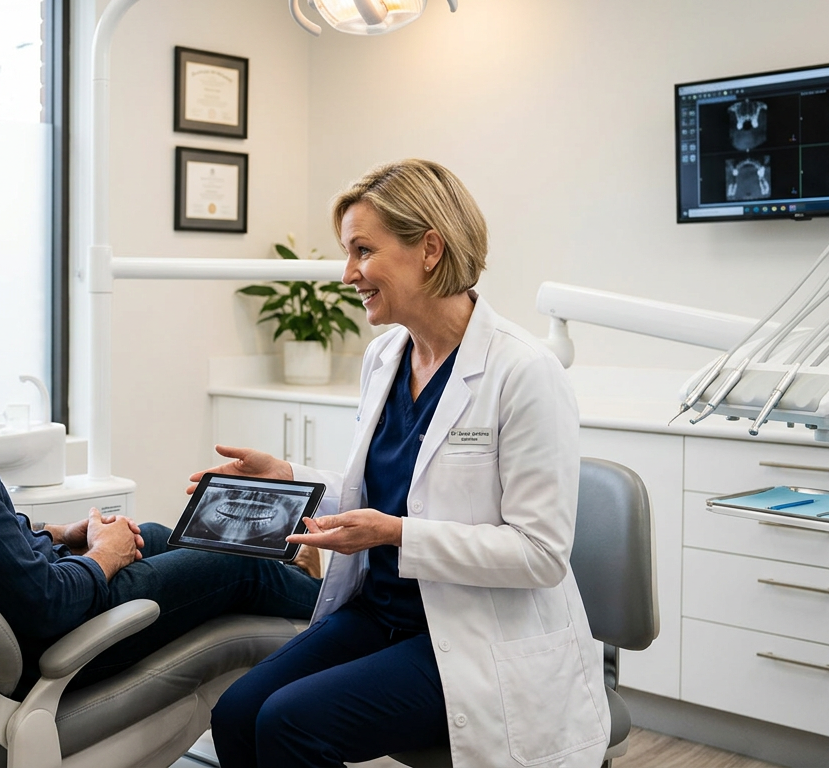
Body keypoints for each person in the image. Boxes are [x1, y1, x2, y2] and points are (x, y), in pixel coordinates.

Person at [203, 160, 610, 767]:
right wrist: (289, 479)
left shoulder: (524, 372)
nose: (348, 274)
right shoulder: (385, 356)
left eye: (363, 251)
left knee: (291, 724)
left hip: (473, 634)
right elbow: (382, 494)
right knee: (236, 713)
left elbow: (540, 554)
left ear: (430, 249)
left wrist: (397, 534)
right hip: (382, 612)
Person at [0, 215, 322, 693]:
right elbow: (46, 605)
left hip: (1, 617)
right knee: (237, 564)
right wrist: (103, 556)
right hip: (54, 644)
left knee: (153, 535)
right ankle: (343, 606)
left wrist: (56, 534)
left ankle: (299, 576)